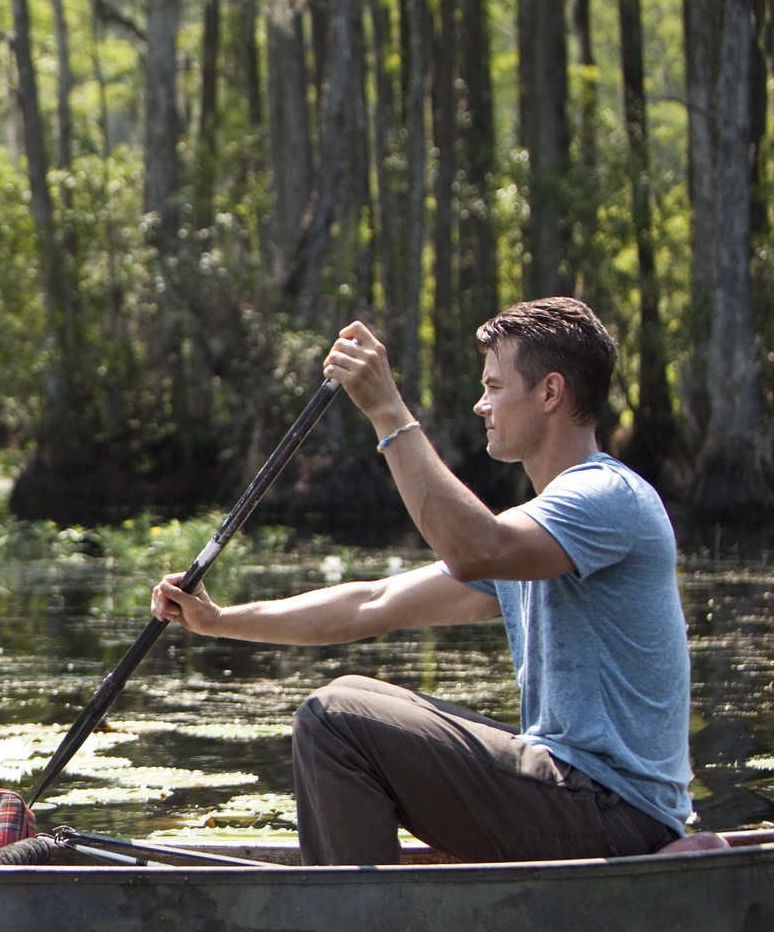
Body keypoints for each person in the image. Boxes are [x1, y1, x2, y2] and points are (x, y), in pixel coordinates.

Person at [150, 297, 692, 865]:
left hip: (612, 811)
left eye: (495, 386)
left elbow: (474, 548)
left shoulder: (606, 497)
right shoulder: (537, 535)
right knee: (352, 698)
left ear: (550, 393)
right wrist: (220, 621)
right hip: (581, 803)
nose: (481, 405)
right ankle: (362, 908)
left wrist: (388, 412)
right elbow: (374, 602)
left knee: (334, 719)